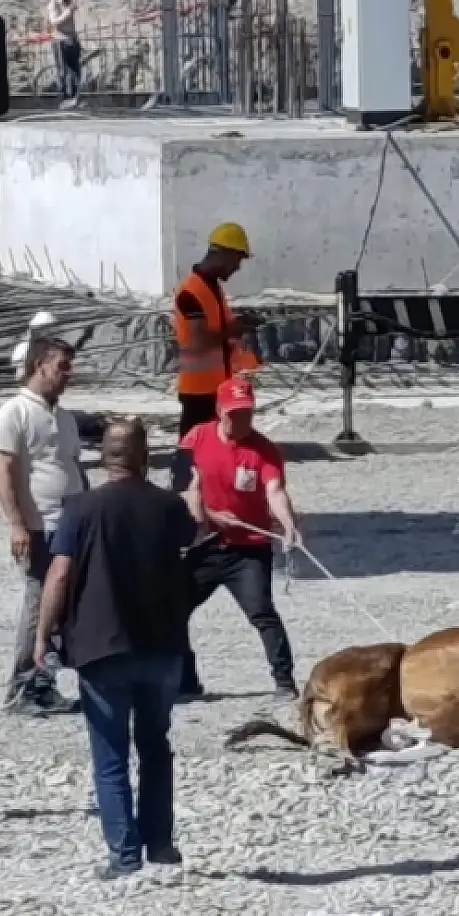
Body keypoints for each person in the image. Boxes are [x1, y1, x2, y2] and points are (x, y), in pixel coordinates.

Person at [35, 418, 196, 881]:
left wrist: (43, 635)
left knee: (110, 755)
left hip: (101, 645)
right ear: (145, 455)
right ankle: (161, 844)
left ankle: (124, 854)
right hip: (162, 643)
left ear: (104, 456)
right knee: (155, 745)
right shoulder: (169, 507)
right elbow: (191, 544)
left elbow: (60, 574)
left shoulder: (81, 509)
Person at [179, 376, 300, 700]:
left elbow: (275, 490)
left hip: (249, 548)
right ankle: (186, 682)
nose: (241, 419)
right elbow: (186, 490)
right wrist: (212, 516)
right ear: (220, 410)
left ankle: (285, 682)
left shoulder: (265, 451)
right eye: (234, 413)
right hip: (206, 544)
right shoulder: (197, 438)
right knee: (173, 609)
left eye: (247, 412)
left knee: (262, 612)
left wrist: (287, 523)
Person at [0, 336, 87, 713]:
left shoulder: (63, 417)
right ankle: (23, 686)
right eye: (62, 366)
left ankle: (45, 682)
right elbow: (4, 472)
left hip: (70, 522)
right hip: (39, 526)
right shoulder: (13, 414)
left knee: (61, 606)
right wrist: (17, 525)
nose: (68, 374)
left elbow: (72, 466)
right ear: (38, 365)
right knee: (38, 607)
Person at [169, 223, 263, 493]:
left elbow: (221, 335)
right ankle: (182, 500)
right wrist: (235, 329)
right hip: (198, 390)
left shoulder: (212, 288)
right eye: (237, 260)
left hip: (217, 387)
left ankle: (209, 498)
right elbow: (199, 340)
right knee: (191, 451)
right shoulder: (190, 292)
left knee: (215, 449)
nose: (237, 268)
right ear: (222, 254)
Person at [48, 0, 82, 106]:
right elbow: (54, 22)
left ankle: (74, 96)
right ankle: (64, 96)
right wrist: (67, 12)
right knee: (64, 71)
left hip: (71, 39)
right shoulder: (53, 3)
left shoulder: (69, 1)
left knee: (75, 69)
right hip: (60, 40)